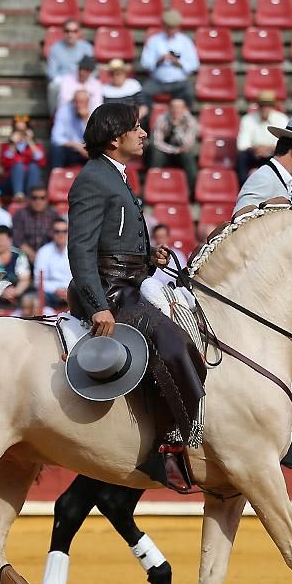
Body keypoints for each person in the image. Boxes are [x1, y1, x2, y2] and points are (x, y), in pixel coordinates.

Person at [66, 100, 204, 476]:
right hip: (110, 291)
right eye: (137, 128)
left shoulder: (114, 174)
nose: (144, 133)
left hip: (130, 280)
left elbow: (115, 240)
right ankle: (173, 442)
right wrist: (98, 305)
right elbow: (80, 249)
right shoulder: (94, 178)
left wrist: (148, 259)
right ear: (114, 138)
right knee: (175, 343)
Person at [139, 9, 198, 106]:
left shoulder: (185, 41)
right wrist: (159, 61)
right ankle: (147, 120)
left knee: (189, 93)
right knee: (144, 93)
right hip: (158, 81)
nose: (172, 30)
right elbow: (145, 63)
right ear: (164, 26)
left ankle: (185, 119)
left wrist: (178, 63)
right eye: (169, 27)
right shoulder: (154, 40)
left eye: (174, 27)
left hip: (179, 82)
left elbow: (194, 64)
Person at [236, 91, 289, 183]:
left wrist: (268, 148)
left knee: (287, 158)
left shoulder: (282, 119)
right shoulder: (248, 119)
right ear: (258, 106)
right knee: (241, 157)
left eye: (268, 105)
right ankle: (243, 186)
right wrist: (255, 149)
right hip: (254, 155)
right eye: (262, 105)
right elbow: (242, 145)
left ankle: (286, 190)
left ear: (272, 106)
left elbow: (285, 143)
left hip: (274, 155)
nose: (265, 108)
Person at [149, 97, 197, 190]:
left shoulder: (191, 121)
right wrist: (174, 150)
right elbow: (157, 142)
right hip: (165, 151)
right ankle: (153, 187)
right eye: (173, 107)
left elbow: (187, 144)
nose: (176, 110)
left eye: (179, 107)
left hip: (182, 152)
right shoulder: (161, 119)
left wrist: (177, 128)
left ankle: (192, 192)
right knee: (156, 154)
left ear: (184, 109)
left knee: (188, 157)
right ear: (169, 108)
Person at [0, 224, 30, 312]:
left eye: (1, 240)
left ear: (9, 240)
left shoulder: (19, 256)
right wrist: (0, 291)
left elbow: (25, 280)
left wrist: (16, 291)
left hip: (16, 296)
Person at [45, 19, 93, 107]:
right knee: (53, 87)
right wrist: (66, 82)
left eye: (74, 31)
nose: (70, 34)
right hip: (62, 80)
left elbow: (92, 69)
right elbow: (51, 73)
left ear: (79, 32)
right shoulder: (55, 48)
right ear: (63, 32)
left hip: (83, 80)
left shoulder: (87, 47)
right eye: (67, 31)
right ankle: (55, 117)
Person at [0, 115, 45, 201]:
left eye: (23, 131)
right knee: (18, 166)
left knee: (33, 167)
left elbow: (41, 161)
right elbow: (4, 163)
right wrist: (13, 144)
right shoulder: (6, 146)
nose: (21, 134)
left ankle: (31, 197)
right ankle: (18, 196)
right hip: (11, 181)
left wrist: (30, 141)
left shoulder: (36, 146)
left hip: (32, 180)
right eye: (18, 131)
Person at [12, 184, 59, 265]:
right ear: (29, 199)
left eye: (42, 198)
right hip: (25, 256)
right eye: (34, 198)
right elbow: (17, 240)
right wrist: (33, 255)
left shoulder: (53, 215)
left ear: (47, 200)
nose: (38, 201)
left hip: (49, 257)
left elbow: (57, 238)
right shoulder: (21, 215)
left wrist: (42, 256)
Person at [32, 216, 72, 312]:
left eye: (64, 231)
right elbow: (38, 281)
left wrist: (68, 291)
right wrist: (55, 290)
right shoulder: (44, 251)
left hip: (72, 292)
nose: (61, 234)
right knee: (36, 299)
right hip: (51, 294)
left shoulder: (75, 250)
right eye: (57, 231)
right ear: (52, 233)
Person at [49, 88, 90, 169]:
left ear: (88, 102)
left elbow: (96, 138)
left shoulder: (95, 110)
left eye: (82, 102)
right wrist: (76, 145)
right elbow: (56, 137)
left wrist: (85, 119)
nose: (78, 105)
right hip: (70, 149)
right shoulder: (64, 111)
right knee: (56, 150)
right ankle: (57, 176)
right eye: (76, 101)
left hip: (87, 151)